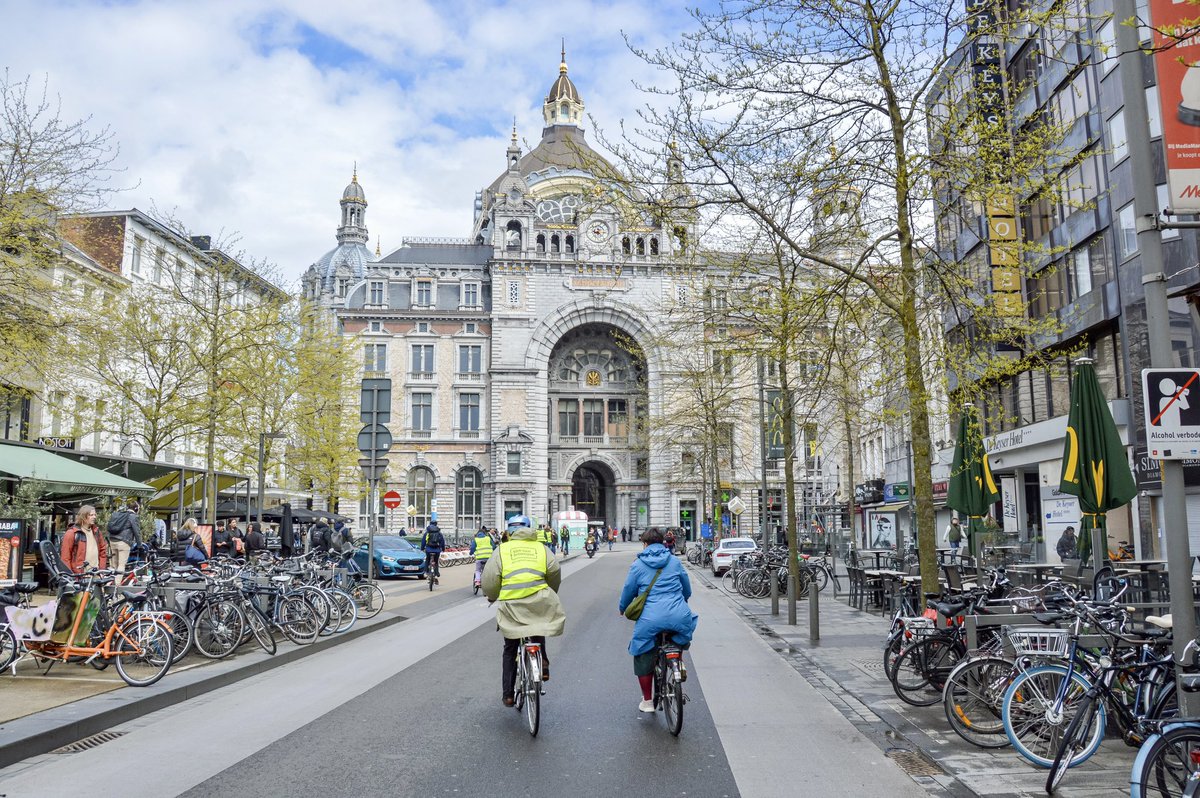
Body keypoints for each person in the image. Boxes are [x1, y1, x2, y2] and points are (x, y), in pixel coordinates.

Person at [482, 514, 566, 706]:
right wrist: (549, 592)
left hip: (512, 604)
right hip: (539, 600)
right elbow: (554, 572)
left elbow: (490, 580)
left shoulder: (502, 550)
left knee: (510, 648)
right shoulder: (542, 549)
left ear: (509, 532)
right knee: (539, 626)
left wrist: (493, 596)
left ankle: (509, 695)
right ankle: (543, 662)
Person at [618, 528, 698, 712]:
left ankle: (647, 701)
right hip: (678, 613)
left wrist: (622, 608)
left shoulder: (638, 564)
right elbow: (687, 588)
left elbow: (629, 589)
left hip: (650, 618)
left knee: (641, 650)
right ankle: (677, 661)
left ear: (645, 544)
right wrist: (683, 599)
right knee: (683, 632)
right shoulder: (674, 561)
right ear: (662, 542)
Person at [61, 505, 108, 574]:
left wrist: (102, 571)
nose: (94, 517)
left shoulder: (96, 532)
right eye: (91, 515)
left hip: (96, 575)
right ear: (83, 516)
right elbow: (65, 558)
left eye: (95, 515)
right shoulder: (72, 533)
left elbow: (103, 552)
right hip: (79, 576)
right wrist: (70, 576)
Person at [106, 500, 140, 573]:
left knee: (114, 565)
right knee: (121, 565)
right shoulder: (133, 516)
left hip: (112, 541)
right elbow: (137, 532)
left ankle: (110, 582)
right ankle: (117, 584)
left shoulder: (119, 514)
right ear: (136, 509)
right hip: (124, 542)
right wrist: (140, 545)